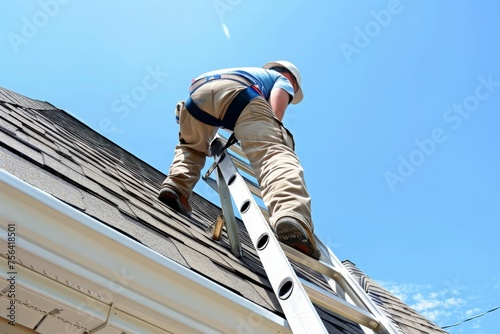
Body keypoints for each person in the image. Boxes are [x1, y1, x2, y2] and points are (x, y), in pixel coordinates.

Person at [159, 61, 320, 260]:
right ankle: (290, 214)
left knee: (191, 147)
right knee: (272, 151)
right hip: (240, 94)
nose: (292, 94)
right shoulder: (282, 80)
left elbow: (226, 107)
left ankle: (176, 188)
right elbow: (274, 114)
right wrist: (272, 132)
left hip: (197, 95)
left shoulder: (248, 72)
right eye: (293, 91)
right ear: (289, 77)